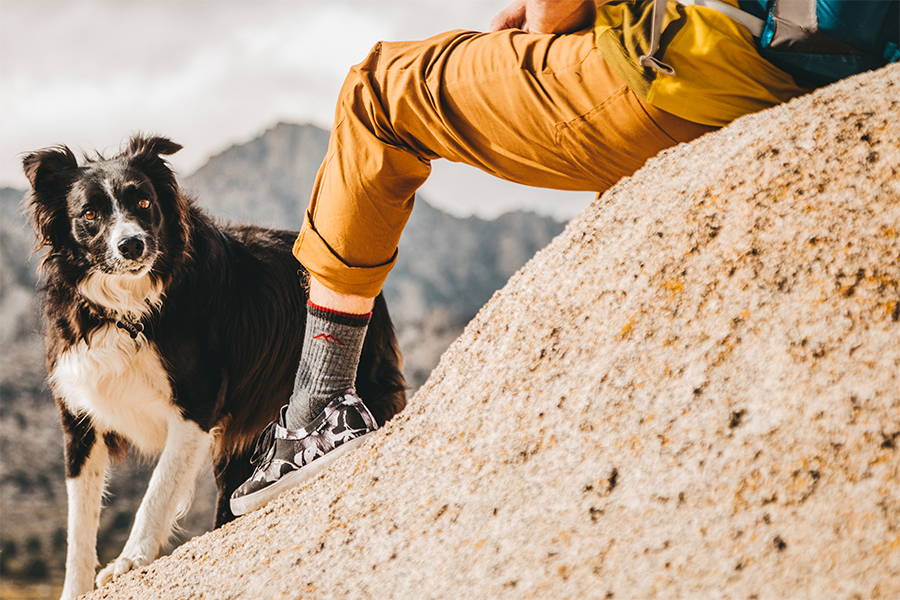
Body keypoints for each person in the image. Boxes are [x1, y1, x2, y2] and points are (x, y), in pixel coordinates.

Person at [229, 0, 899, 515]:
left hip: (703, 69)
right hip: (841, 63)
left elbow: (557, 11)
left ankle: (321, 406)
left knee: (378, 92)